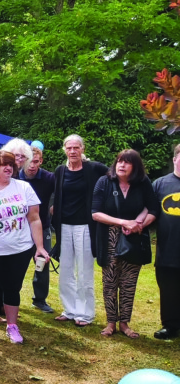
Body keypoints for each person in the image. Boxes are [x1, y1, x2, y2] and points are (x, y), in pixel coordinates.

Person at [0, 147, 50, 344]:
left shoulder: (23, 188)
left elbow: (34, 219)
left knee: (12, 288)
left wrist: (39, 247)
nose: (8, 168)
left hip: (20, 250)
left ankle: (12, 326)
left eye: (10, 164)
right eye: (3, 165)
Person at [91, 150, 158, 338]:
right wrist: (123, 223)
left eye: (127, 162)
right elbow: (95, 213)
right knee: (110, 282)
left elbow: (153, 208)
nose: (122, 165)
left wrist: (139, 224)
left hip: (134, 237)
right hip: (110, 236)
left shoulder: (143, 183)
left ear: (135, 167)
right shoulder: (104, 182)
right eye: (119, 161)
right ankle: (110, 323)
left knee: (129, 282)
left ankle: (124, 324)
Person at [51, 134, 108, 327]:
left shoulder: (93, 168)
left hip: (85, 226)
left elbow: (114, 177)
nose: (73, 151)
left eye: (76, 147)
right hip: (64, 226)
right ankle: (69, 309)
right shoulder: (60, 171)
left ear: (83, 149)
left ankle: (85, 314)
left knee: (84, 271)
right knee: (66, 270)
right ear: (64, 150)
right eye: (69, 148)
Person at [20, 143, 56, 313]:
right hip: (18, 229)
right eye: (29, 161)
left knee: (42, 262)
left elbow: (64, 193)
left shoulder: (50, 178)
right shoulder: (13, 177)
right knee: (16, 266)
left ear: (41, 161)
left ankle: (40, 299)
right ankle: (10, 298)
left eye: (35, 162)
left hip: (43, 227)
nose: (32, 166)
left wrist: (55, 206)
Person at [153, 143, 180, 339]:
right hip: (168, 248)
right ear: (175, 159)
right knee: (169, 290)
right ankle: (170, 326)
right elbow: (149, 212)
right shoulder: (160, 184)